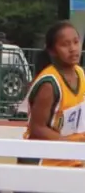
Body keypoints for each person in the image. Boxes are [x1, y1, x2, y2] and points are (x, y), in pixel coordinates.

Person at [19, 21, 85, 168]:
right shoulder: (49, 84)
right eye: (65, 44)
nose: (73, 49)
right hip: (42, 161)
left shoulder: (80, 73)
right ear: (52, 51)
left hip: (69, 158)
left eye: (76, 42)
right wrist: (69, 145)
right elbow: (37, 128)